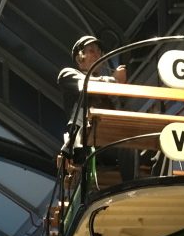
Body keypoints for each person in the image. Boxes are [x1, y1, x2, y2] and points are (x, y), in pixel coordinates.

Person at [57, 34, 138, 182]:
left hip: (109, 144)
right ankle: (131, 188)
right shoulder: (67, 74)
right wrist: (114, 80)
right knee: (127, 142)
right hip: (87, 145)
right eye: (92, 50)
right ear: (79, 58)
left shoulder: (105, 89)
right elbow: (87, 84)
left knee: (158, 142)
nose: (98, 54)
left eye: (99, 51)